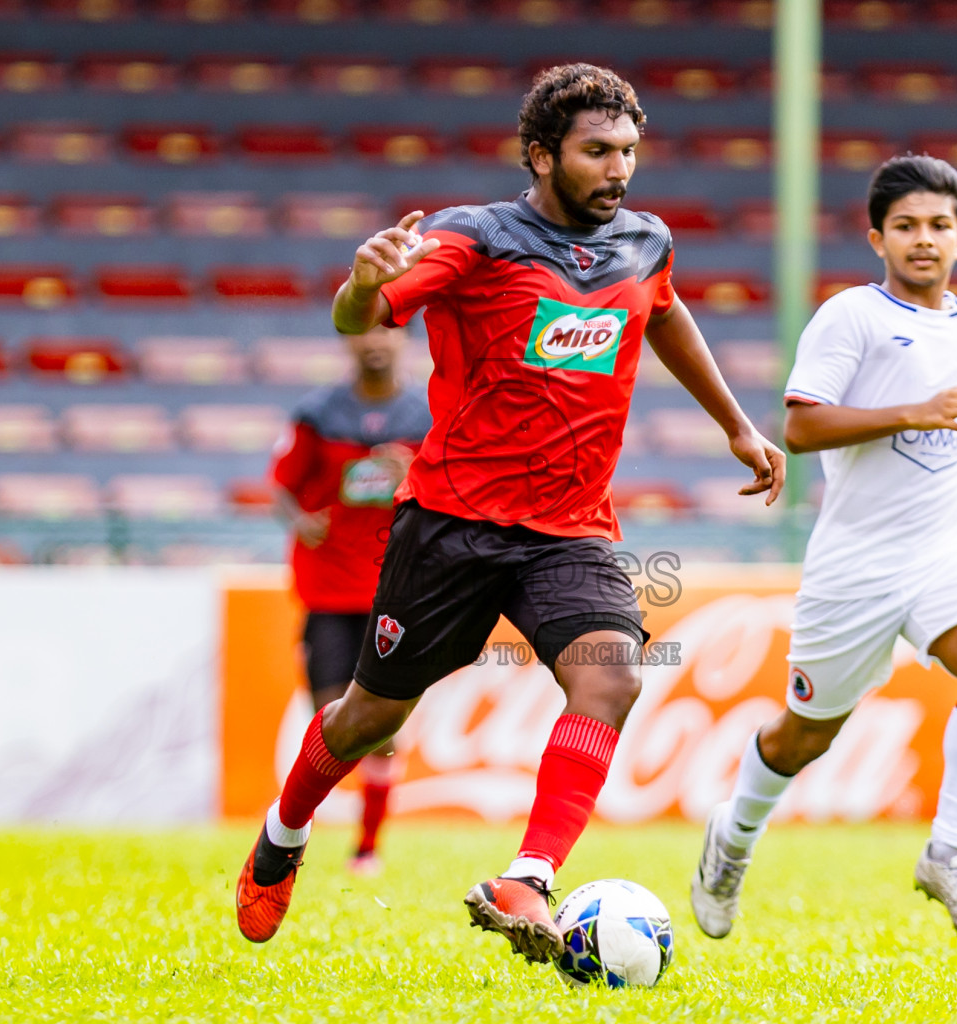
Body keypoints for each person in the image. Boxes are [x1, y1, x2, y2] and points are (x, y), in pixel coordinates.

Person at [235, 63, 785, 963]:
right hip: (451, 524)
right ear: (540, 154)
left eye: (630, 153)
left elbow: (667, 315)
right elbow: (357, 318)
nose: (619, 170)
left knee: (611, 675)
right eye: (598, 151)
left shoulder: (645, 242)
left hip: (571, 526)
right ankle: (284, 834)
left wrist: (736, 425)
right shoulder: (475, 239)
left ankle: (527, 879)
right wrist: (362, 281)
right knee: (369, 716)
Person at [691, 155, 957, 943]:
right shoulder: (850, 316)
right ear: (876, 238)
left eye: (937, 227)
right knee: (805, 735)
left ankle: (949, 856)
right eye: (905, 227)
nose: (923, 241)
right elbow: (801, 425)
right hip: (854, 565)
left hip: (948, 547)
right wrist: (913, 409)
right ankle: (734, 838)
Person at [267, 326, 430, 875]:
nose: (375, 342)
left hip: (396, 589)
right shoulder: (318, 413)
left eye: (388, 329)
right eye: (364, 332)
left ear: (405, 341)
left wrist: (420, 478)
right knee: (331, 720)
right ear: (347, 342)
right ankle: (293, 835)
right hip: (329, 590)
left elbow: (455, 485)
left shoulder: (428, 413)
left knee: (383, 724)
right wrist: (300, 520)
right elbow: (281, 485)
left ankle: (367, 846)